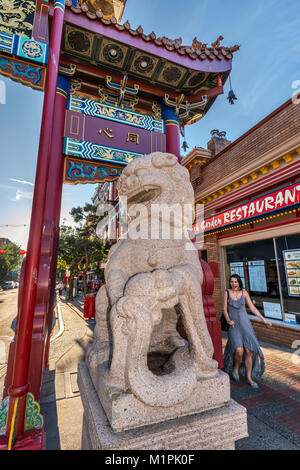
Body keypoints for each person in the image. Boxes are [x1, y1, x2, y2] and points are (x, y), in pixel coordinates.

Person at [222, 274, 272, 389]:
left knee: (248, 350)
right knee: (239, 350)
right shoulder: (227, 293)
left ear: (239, 282)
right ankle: (235, 367)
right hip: (234, 325)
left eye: (236, 282)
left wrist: (264, 320)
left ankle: (249, 378)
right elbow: (224, 309)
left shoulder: (244, 293)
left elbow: (252, 308)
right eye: (232, 282)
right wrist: (228, 320)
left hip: (245, 325)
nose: (233, 284)